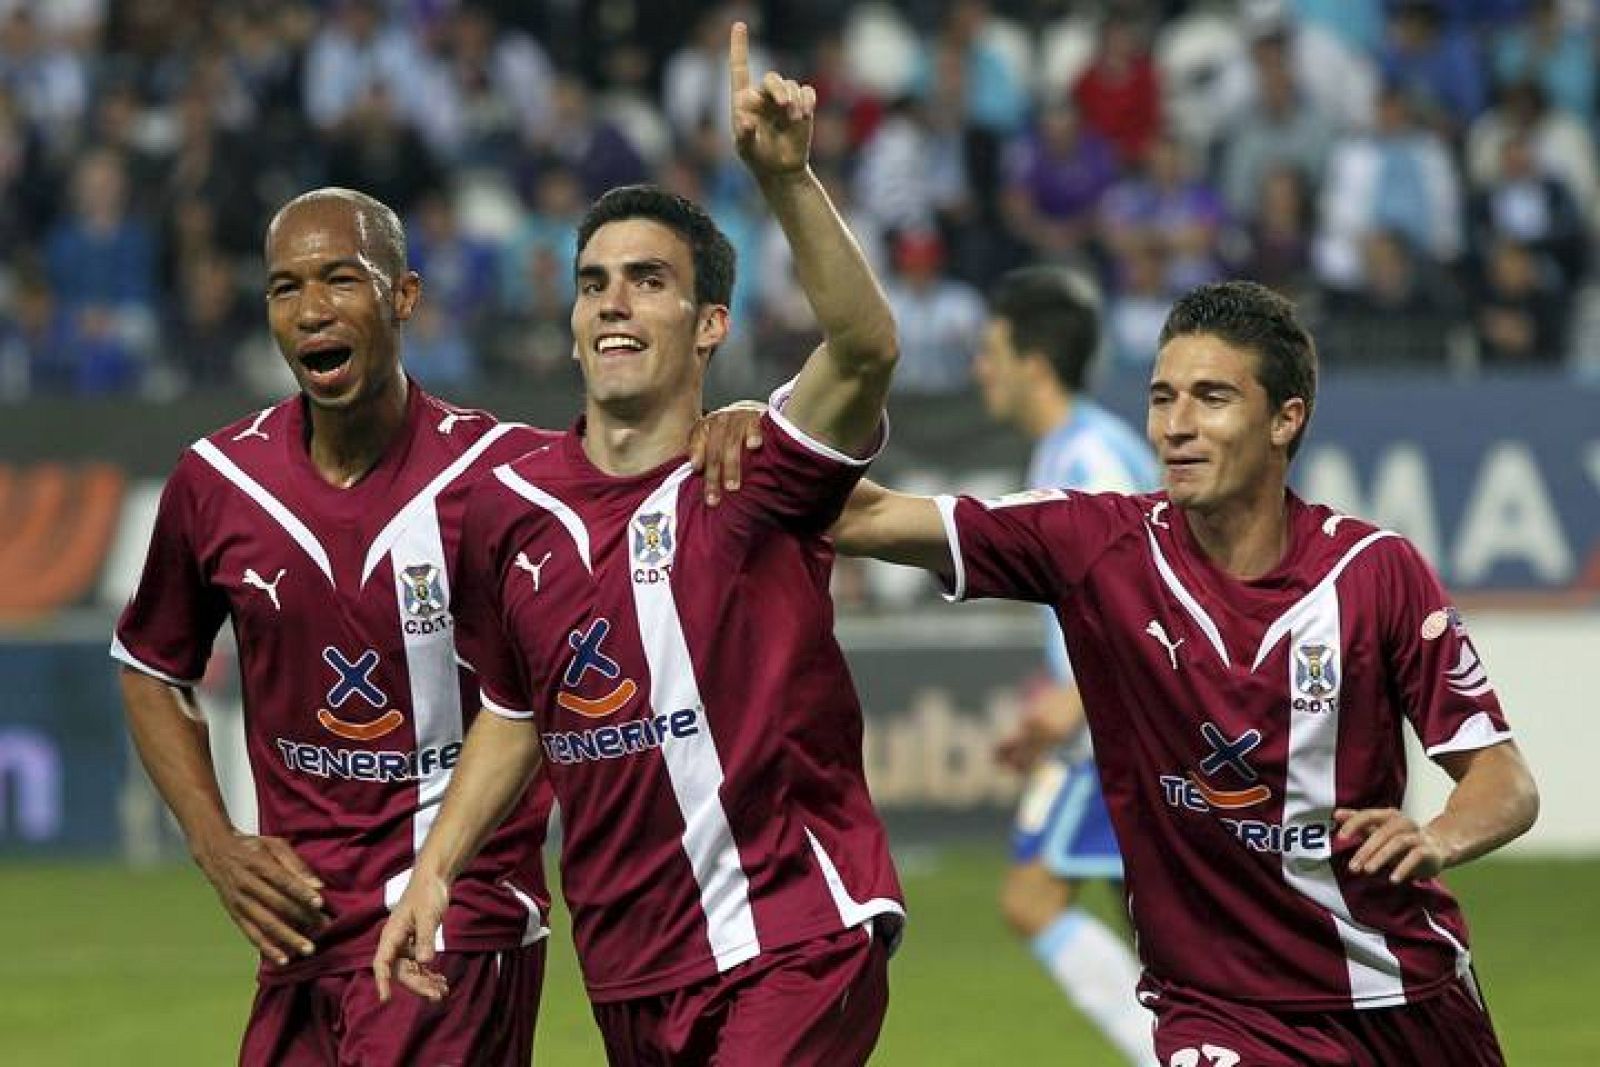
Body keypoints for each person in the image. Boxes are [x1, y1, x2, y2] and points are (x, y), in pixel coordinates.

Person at [112, 186, 760, 1065]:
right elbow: (152, 664)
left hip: (457, 925)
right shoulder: (218, 481)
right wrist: (215, 842)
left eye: (341, 279)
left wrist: (737, 422)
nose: (311, 312)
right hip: (298, 935)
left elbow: (641, 467)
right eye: (284, 288)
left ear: (404, 297)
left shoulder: (504, 474)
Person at [831, 280, 1538, 1065]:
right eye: (1162, 397)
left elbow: (1504, 781)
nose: (1177, 426)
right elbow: (866, 514)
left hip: (1403, 993)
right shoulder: (1096, 545)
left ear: (1284, 419)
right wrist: (773, 436)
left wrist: (1435, 835)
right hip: (1220, 1011)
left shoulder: (1376, 574)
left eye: (1212, 398)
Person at [374, 23, 904, 1065]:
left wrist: (787, 181)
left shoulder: (753, 464)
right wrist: (434, 863)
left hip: (791, 931)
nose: (614, 300)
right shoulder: (506, 502)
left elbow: (866, 348)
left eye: (648, 280)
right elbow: (515, 707)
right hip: (628, 964)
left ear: (710, 322)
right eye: (593, 281)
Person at [975, 266, 1159, 1066]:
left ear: (1035, 364)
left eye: (993, 351)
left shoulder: (1090, 458)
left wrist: (1073, 701)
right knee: (1161, 924)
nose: (981, 367)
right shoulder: (1072, 447)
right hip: (1108, 716)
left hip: (1122, 720)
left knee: (1034, 898)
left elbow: (1135, 594)